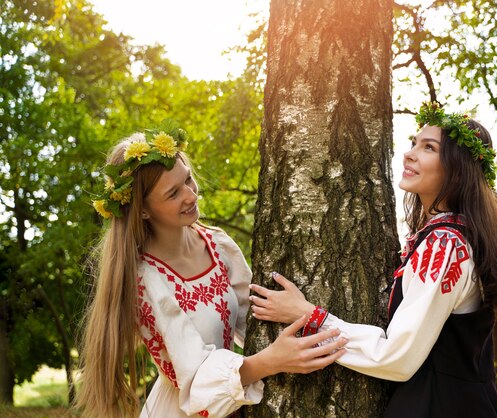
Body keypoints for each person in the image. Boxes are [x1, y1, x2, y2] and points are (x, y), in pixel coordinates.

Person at [249, 102, 497, 417]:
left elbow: (397, 357)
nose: (410, 153)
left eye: (429, 148)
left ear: (457, 168)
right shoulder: (456, 236)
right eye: (414, 143)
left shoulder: (445, 245)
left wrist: (309, 316)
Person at [74, 124, 347, 418]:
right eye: (173, 193)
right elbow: (195, 377)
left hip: (234, 401)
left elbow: (255, 317)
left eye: (188, 180)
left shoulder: (217, 244)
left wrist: (300, 311)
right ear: (143, 210)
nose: (191, 195)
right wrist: (272, 361)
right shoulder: (146, 281)